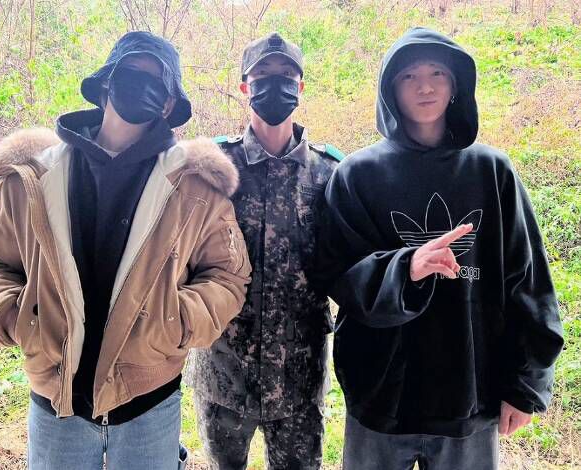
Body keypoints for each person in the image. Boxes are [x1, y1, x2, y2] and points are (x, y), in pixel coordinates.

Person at [0, 31, 251, 470]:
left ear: (169, 105)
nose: (142, 86)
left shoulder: (194, 186)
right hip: (56, 403)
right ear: (104, 85)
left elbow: (227, 275)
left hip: (149, 404)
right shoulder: (35, 177)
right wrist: (15, 315)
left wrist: (174, 321)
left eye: (157, 83)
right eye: (131, 74)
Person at [316, 27, 564, 470]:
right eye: (409, 76)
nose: (425, 87)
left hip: (471, 394)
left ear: (455, 86)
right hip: (380, 397)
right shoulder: (357, 174)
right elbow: (337, 274)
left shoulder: (492, 171)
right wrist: (406, 268)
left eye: (437, 73)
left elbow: (529, 284)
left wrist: (526, 385)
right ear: (391, 89)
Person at [185, 32, 344, 470]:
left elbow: (347, 267)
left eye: (286, 75)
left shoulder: (330, 173)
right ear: (244, 87)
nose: (275, 84)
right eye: (262, 76)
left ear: (300, 87)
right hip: (224, 372)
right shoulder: (215, 168)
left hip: (299, 378)